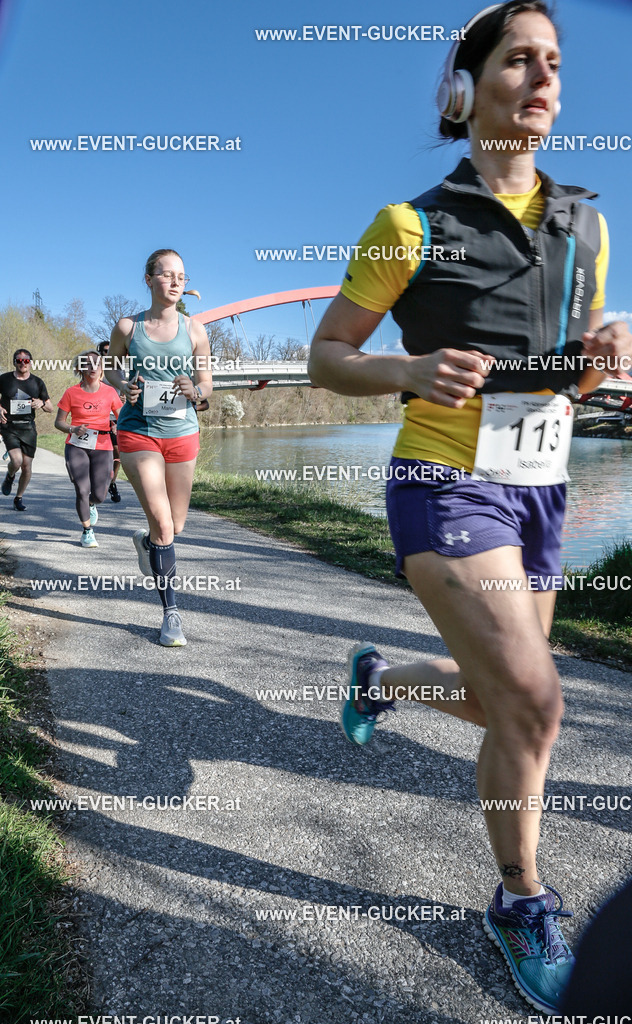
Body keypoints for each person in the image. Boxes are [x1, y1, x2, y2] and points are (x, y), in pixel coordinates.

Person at [308, 1, 632, 1012]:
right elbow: (328, 356)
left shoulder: (586, 223)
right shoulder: (409, 226)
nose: (541, 79)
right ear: (467, 85)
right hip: (443, 482)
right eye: (515, 61)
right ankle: (517, 897)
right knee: (534, 700)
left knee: (507, 701)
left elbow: (564, 377)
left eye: (552, 63)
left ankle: (381, 679)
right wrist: (404, 366)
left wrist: (598, 357)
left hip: (539, 487)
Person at [105, 249, 212, 647]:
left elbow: (207, 384)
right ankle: (171, 614)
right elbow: (112, 365)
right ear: (149, 279)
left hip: (183, 432)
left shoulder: (196, 330)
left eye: (181, 276)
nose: (174, 282)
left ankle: (147, 543)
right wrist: (121, 385)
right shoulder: (128, 327)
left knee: (175, 526)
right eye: (166, 275)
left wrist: (195, 390)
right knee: (165, 525)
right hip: (139, 432)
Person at [55, 350, 123, 547]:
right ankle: (87, 531)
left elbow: (122, 417)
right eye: (88, 363)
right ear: (80, 368)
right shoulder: (71, 392)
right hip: (77, 445)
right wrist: (72, 428)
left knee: (100, 495)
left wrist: (120, 425)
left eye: (96, 363)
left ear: (101, 369)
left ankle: (93, 504)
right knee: (81, 488)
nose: (92, 367)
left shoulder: (110, 392)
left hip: (102, 445)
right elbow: (59, 422)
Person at [0, 349, 54, 510]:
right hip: (8, 426)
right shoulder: (4, 379)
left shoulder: (37, 382)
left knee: (26, 466)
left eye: (26, 360)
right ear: (14, 362)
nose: (22, 363)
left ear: (30, 362)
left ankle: (19, 498)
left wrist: (41, 403)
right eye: (19, 360)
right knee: (16, 461)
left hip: (28, 427)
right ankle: (10, 476)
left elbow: (50, 407)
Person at [96, 340, 122, 502]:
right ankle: (97, 485)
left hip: (116, 416)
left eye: (111, 350)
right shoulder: (95, 369)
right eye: (106, 351)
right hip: (99, 417)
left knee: (118, 454)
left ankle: (112, 482)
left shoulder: (121, 368)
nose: (109, 353)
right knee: (99, 455)